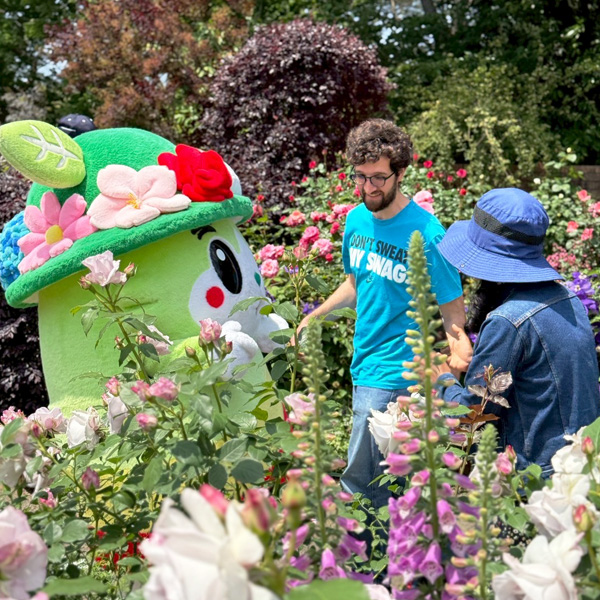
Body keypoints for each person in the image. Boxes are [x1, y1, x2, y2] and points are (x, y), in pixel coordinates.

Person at [297, 119, 471, 507]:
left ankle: (357, 544)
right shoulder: (356, 220)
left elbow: (451, 306)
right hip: (364, 362)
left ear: (401, 172)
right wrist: (316, 316)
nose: (368, 187)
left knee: (360, 485)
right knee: (387, 484)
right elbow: (356, 283)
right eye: (361, 177)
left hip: (396, 370)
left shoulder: (427, 234)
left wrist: (458, 348)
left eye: (378, 177)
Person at [431, 187, 600, 476]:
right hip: (582, 466)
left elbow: (473, 417)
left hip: (535, 480)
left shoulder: (507, 321)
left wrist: (443, 380)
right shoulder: (568, 299)